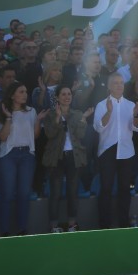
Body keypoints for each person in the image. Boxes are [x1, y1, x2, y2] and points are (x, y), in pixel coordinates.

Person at [0, 81, 45, 236]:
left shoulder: (31, 111)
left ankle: (22, 229)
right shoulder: (4, 111)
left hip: (27, 155)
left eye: (26, 92)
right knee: (7, 193)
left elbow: (35, 136)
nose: (25, 95)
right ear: (12, 95)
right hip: (8, 155)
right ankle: (4, 231)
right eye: (21, 92)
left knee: (24, 193)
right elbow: (2, 137)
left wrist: (38, 120)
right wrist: (9, 118)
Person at [94, 74, 138, 229]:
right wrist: (109, 112)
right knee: (106, 188)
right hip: (107, 151)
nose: (119, 85)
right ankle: (105, 225)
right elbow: (98, 127)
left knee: (125, 188)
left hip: (126, 151)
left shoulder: (130, 105)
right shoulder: (101, 105)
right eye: (115, 83)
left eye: (121, 83)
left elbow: (137, 127)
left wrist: (136, 114)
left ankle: (123, 223)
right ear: (109, 86)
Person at [42, 85, 91, 232]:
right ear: (57, 97)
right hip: (56, 157)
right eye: (63, 94)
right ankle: (54, 226)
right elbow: (49, 134)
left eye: (69, 94)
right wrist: (58, 117)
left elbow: (81, 135)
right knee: (55, 193)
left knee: (73, 192)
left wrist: (83, 119)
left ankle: (72, 225)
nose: (67, 97)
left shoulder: (77, 113)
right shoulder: (50, 114)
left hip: (74, 156)